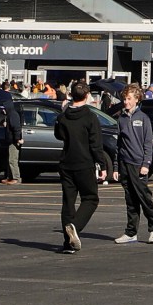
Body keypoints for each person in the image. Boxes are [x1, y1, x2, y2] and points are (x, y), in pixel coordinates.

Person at [52, 81, 110, 251]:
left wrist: (63, 114)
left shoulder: (63, 116)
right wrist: (102, 165)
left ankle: (68, 243)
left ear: (71, 95)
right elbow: (96, 144)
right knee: (91, 198)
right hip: (84, 163)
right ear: (87, 96)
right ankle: (75, 227)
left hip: (66, 163)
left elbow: (59, 135)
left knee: (68, 203)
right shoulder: (90, 117)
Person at [113, 85, 153, 244]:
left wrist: (146, 164)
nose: (126, 102)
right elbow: (119, 145)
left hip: (138, 164)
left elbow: (148, 143)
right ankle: (131, 232)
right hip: (125, 164)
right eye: (124, 99)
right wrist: (116, 166)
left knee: (144, 197)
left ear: (136, 99)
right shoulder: (121, 119)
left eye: (129, 99)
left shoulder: (143, 118)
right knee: (130, 200)